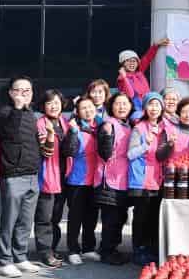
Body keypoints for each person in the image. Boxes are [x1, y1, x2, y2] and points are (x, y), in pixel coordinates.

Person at [0, 76, 41, 278]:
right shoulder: (4, 112)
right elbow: (11, 133)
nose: (22, 94)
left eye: (27, 91)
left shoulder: (31, 114)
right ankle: (4, 261)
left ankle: (20, 257)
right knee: (9, 220)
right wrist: (18, 108)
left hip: (32, 174)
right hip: (13, 175)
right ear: (11, 93)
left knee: (25, 221)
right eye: (18, 90)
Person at [127, 92, 174, 265]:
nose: (154, 108)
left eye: (157, 105)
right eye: (150, 104)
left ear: (162, 108)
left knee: (154, 217)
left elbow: (162, 156)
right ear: (145, 108)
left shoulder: (165, 129)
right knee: (141, 217)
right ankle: (138, 250)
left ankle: (151, 250)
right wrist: (145, 145)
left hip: (158, 180)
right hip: (141, 180)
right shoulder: (139, 128)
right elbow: (130, 154)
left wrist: (170, 145)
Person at [61, 97, 101, 266]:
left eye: (90, 107)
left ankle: (88, 248)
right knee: (75, 217)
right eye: (83, 108)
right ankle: (73, 250)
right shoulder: (74, 128)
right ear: (77, 112)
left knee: (91, 216)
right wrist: (73, 132)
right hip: (77, 180)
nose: (87, 110)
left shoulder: (99, 127)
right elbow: (68, 151)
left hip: (95, 180)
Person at [95, 92, 134, 265]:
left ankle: (113, 249)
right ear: (111, 107)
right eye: (118, 103)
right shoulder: (108, 125)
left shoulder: (128, 125)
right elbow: (104, 153)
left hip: (123, 179)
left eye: (125, 103)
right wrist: (107, 136)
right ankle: (106, 251)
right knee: (111, 219)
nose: (122, 107)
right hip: (109, 179)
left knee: (120, 217)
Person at [33, 90, 70, 268]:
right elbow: (45, 151)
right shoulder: (41, 124)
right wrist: (49, 134)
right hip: (47, 174)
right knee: (44, 217)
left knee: (56, 216)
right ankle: (45, 252)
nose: (53, 106)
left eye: (56, 102)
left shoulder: (64, 122)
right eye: (49, 103)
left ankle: (52, 248)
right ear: (43, 106)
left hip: (63, 175)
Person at [117, 38, 170, 120]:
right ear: (123, 64)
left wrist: (156, 45)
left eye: (134, 61)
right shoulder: (121, 78)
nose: (132, 63)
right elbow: (130, 94)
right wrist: (124, 77)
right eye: (128, 61)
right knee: (138, 118)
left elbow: (147, 58)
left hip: (147, 104)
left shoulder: (139, 72)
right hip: (135, 109)